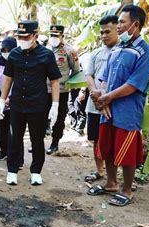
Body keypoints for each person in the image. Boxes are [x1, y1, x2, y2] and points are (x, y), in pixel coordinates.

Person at [88, 5, 149, 207]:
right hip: (108, 108)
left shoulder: (145, 52)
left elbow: (135, 84)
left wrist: (107, 97)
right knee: (107, 147)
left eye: (122, 22)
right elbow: (105, 76)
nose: (119, 26)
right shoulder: (117, 48)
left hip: (127, 110)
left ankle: (127, 189)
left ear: (135, 25)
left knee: (126, 150)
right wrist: (101, 97)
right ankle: (110, 183)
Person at [0, 20, 62, 185]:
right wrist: (2, 100)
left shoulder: (46, 55)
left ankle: (36, 171)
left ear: (36, 35)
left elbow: (55, 80)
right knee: (14, 139)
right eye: (19, 36)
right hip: (17, 104)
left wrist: (55, 105)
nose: (22, 40)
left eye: (25, 36)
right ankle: (12, 170)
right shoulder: (14, 54)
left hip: (38, 105)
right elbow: (8, 78)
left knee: (37, 139)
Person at [83, 15, 119, 183]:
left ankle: (117, 176)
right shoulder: (96, 53)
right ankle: (100, 171)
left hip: (114, 106)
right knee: (96, 140)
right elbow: (89, 75)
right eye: (101, 32)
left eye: (108, 32)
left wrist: (105, 98)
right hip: (94, 105)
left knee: (115, 140)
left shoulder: (123, 52)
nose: (104, 36)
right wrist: (96, 93)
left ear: (117, 29)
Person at [45, 25, 81, 155]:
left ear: (62, 36)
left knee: (59, 118)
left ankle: (55, 143)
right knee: (41, 117)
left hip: (61, 91)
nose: (53, 38)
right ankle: (37, 143)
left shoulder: (69, 51)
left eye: (56, 35)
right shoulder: (45, 49)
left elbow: (76, 70)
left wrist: (67, 84)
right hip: (45, 90)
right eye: (51, 35)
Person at [0, 36, 21, 161]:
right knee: (2, 127)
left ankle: (15, 154)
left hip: (16, 100)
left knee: (16, 129)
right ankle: (3, 151)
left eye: (9, 50)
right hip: (1, 101)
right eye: (4, 50)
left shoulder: (18, 62)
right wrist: (1, 98)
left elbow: (20, 82)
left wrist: (10, 98)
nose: (6, 53)